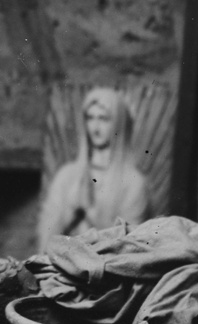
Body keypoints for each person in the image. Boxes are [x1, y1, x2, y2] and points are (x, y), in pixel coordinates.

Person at [38, 87, 152, 249]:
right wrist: (67, 216)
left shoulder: (133, 182)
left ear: (118, 123)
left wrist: (92, 218)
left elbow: (132, 246)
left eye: (104, 118)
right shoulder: (66, 176)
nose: (95, 127)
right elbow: (46, 238)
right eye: (90, 118)